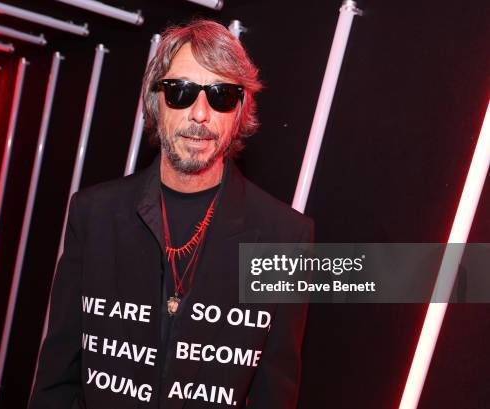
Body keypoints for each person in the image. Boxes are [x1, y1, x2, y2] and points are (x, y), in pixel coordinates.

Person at [29, 19, 313, 409]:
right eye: (180, 92)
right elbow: (57, 377)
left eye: (221, 95)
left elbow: (274, 394)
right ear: (155, 101)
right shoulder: (93, 216)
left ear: (240, 110)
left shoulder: (284, 237)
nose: (200, 113)